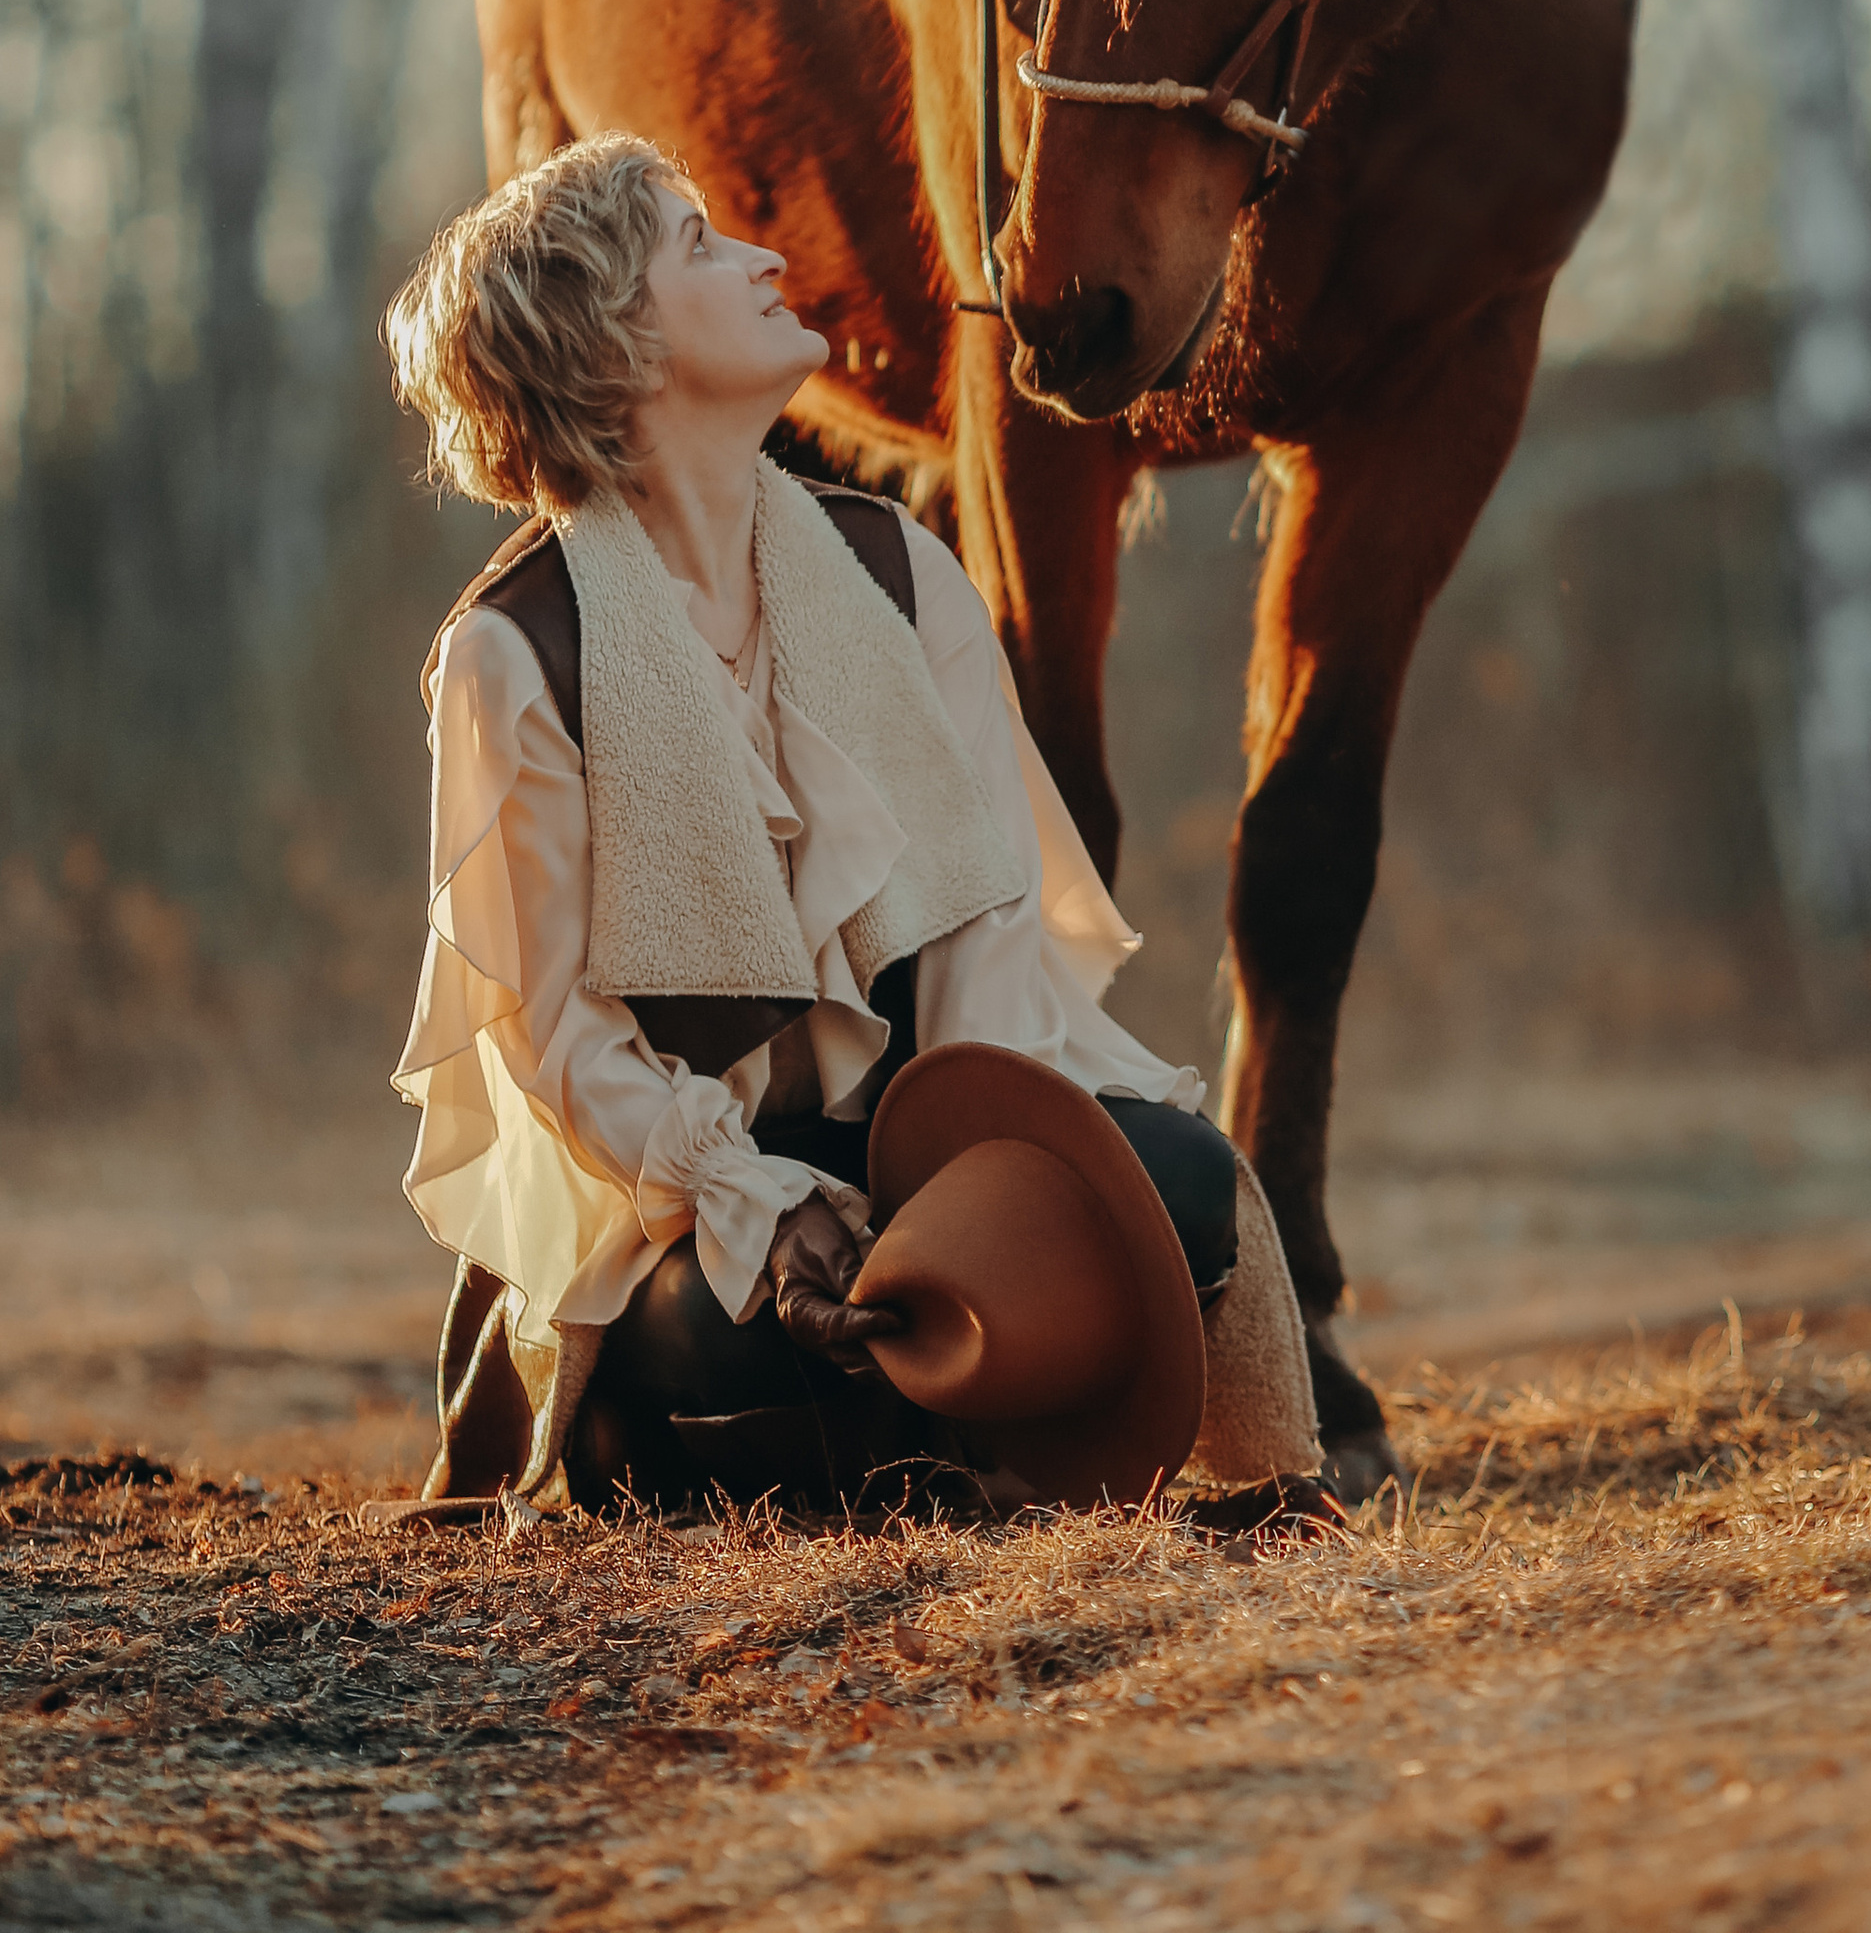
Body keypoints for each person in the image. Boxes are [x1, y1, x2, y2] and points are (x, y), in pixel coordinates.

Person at [383, 130, 1316, 1513]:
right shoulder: (512, 656)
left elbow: (992, 945)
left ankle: (945, 1426)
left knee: (1180, 1181)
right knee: (718, 1330)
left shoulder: (904, 576)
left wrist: (983, 1198)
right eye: (699, 243)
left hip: (921, 1153)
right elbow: (560, 1046)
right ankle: (884, 1439)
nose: (761, 257)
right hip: (689, 1203)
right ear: (611, 344)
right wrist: (755, 1207)